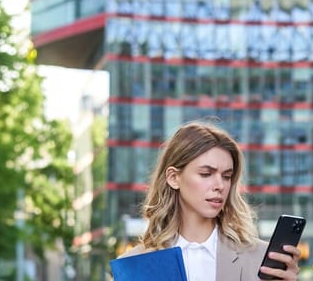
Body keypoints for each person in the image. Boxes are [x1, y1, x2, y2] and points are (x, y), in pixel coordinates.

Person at [117, 120, 301, 280]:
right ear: (174, 178)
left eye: (227, 176)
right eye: (206, 174)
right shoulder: (134, 265)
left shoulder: (262, 259)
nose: (220, 185)